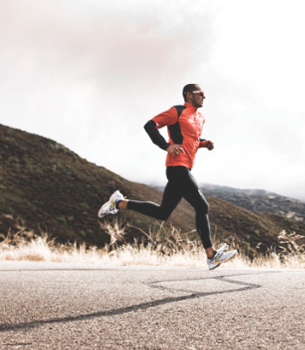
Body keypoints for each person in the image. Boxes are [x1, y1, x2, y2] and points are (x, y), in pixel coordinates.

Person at [98, 84, 237, 270]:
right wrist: (166, 146)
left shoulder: (200, 117)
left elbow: (191, 140)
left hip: (184, 168)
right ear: (189, 95)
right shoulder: (176, 111)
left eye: (205, 94)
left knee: (162, 213)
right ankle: (211, 256)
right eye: (200, 94)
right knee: (202, 206)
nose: (204, 97)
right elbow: (150, 125)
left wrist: (203, 144)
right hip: (176, 168)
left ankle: (119, 203)